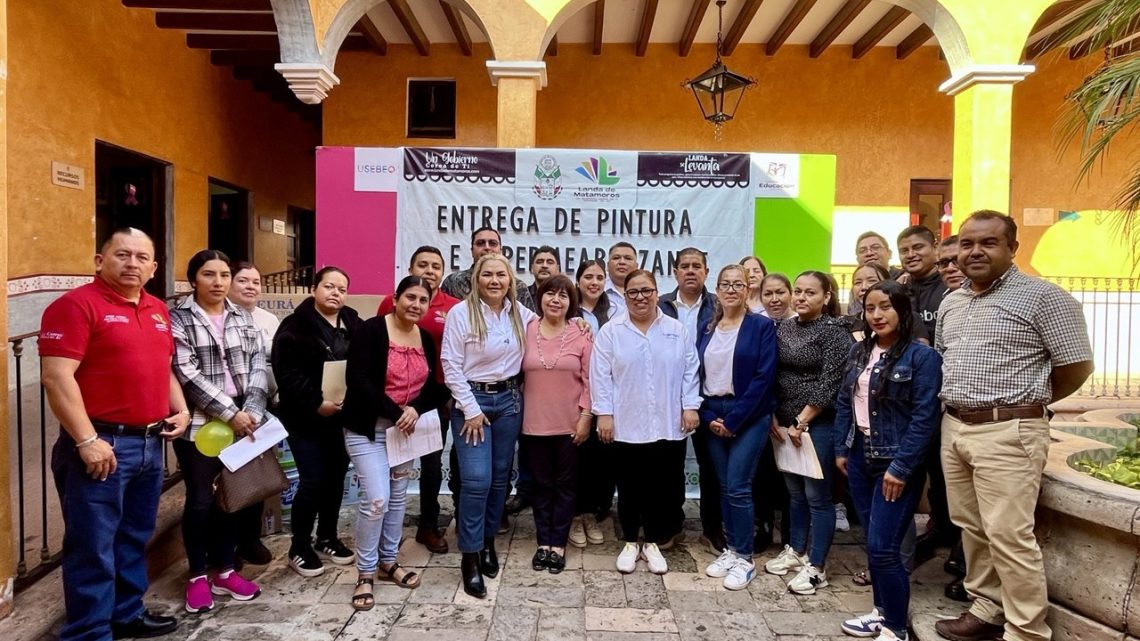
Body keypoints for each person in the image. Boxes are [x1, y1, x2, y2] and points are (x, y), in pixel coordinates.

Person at [934, 211, 1093, 641]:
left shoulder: (1044, 298)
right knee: (971, 527)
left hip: (1009, 431)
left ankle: (1026, 630)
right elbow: (946, 358)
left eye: (988, 243)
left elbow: (1075, 367)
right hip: (956, 426)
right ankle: (987, 607)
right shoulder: (954, 301)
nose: (974, 252)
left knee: (1009, 535)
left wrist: (1025, 405)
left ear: (1012, 248)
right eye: (966, 243)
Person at [40, 228, 191, 641]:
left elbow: (163, 369)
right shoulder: (74, 307)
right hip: (101, 443)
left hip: (148, 443)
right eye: (122, 254)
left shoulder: (158, 308)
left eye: (143, 257)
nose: (133, 263)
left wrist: (179, 409)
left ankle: (126, 614)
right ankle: (90, 631)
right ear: (98, 260)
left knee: (133, 536)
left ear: (154, 267)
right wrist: (87, 440)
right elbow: (56, 379)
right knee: (92, 546)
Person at [834, 280, 943, 641]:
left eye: (886, 307)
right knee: (873, 542)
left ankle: (896, 627)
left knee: (884, 548)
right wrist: (841, 448)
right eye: (870, 308)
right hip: (859, 456)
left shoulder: (922, 357)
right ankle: (880, 612)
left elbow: (925, 417)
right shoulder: (859, 352)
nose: (877, 315)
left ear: (902, 310)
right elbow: (843, 402)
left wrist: (902, 468)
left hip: (894, 462)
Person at [170, 249, 269, 612]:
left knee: (232, 498)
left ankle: (225, 570)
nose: (218, 282)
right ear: (194, 278)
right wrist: (230, 414)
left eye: (224, 275)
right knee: (200, 500)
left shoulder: (243, 317)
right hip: (199, 423)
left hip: (246, 418)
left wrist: (252, 410)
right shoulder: (179, 318)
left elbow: (259, 364)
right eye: (209, 275)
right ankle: (197, 574)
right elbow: (186, 372)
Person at [342, 275, 450, 608]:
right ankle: (365, 572)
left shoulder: (425, 339)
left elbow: (434, 386)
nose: (416, 305)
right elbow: (357, 379)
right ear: (396, 297)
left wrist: (414, 410)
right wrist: (396, 411)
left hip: (404, 431)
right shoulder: (372, 331)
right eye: (410, 297)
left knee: (399, 496)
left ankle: (389, 561)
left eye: (423, 300)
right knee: (376, 499)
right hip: (368, 428)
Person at [591, 269, 701, 576]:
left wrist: (691, 406)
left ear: (657, 292)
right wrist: (604, 414)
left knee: (661, 485)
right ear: (624, 296)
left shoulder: (677, 330)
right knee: (628, 485)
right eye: (633, 292)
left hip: (668, 422)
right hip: (626, 422)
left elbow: (691, 371)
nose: (640, 297)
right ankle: (629, 541)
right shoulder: (611, 332)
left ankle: (652, 541)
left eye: (647, 290)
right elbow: (600, 376)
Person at [441, 253, 537, 598]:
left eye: (501, 275)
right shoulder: (460, 313)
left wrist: (579, 325)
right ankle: (469, 556)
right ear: (476, 280)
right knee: (477, 480)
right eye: (488, 275)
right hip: (473, 404)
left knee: (499, 480)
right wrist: (469, 409)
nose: (495, 281)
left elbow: (553, 329)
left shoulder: (521, 315)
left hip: (509, 403)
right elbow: (450, 364)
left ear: (510, 280)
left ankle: (486, 544)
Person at [765, 271, 853, 595]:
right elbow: (773, 373)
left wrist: (802, 422)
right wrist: (775, 415)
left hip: (818, 425)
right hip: (785, 425)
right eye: (798, 291)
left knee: (819, 498)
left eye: (810, 293)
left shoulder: (835, 333)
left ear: (827, 297)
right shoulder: (784, 327)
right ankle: (797, 551)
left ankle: (817, 567)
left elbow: (831, 382)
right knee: (795, 494)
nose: (801, 297)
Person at [273, 266, 363, 577]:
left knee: (336, 477)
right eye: (329, 286)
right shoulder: (294, 326)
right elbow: (287, 375)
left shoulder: (352, 320)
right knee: (312, 481)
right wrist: (316, 403)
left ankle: (328, 536)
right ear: (314, 289)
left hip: (342, 416)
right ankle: (299, 545)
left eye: (342, 288)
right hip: (306, 418)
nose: (335, 293)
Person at [376, 246, 460, 554]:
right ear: (410, 267)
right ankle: (387, 529)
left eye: (435, 266)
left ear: (443, 271)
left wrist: (451, 394)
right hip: (391, 401)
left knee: (431, 463)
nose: (429, 270)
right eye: (422, 264)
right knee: (389, 464)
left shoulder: (454, 306)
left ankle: (428, 525)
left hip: (435, 398)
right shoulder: (391, 301)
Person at [698, 265, 777, 590]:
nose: (731, 290)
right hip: (712, 413)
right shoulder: (708, 327)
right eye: (725, 284)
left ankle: (744, 557)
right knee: (723, 486)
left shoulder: (761, 326)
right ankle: (731, 549)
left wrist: (733, 421)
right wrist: (707, 417)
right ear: (717, 289)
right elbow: (695, 374)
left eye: (738, 285)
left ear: (747, 290)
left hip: (749, 415)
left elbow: (764, 377)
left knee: (739, 485)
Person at [520, 274, 593, 573]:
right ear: (540, 298)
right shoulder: (526, 328)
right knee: (540, 485)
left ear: (570, 302)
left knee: (564, 486)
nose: (556, 300)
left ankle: (558, 544)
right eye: (550, 294)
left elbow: (591, 379)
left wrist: (586, 417)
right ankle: (542, 543)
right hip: (533, 424)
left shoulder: (582, 333)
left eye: (563, 296)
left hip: (570, 425)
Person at [659, 248, 723, 553]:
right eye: (684, 266)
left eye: (697, 266)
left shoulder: (719, 306)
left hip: (708, 397)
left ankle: (712, 531)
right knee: (669, 468)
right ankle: (672, 527)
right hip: (667, 397)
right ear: (675, 272)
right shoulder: (661, 305)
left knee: (710, 467)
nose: (690, 271)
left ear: (707, 272)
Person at [226, 261, 280, 566]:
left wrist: (258, 406)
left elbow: (273, 362)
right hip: (223, 410)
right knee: (224, 480)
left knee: (256, 476)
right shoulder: (219, 317)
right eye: (243, 280)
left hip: (260, 407)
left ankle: (250, 538)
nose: (250, 286)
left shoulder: (268, 319)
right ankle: (224, 546)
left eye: (256, 281)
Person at [572, 259, 615, 546]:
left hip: (609, 396)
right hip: (576, 397)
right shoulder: (568, 312)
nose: (594, 282)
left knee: (602, 459)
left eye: (600, 277)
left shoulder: (612, 312)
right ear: (578, 281)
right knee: (578, 459)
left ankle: (594, 513)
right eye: (588, 277)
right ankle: (576, 516)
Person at [441, 226, 535, 311]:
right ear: (472, 251)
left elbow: (530, 324)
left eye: (492, 243)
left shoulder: (517, 286)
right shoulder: (453, 282)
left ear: (500, 250)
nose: (487, 247)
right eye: (480, 243)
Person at [847, 263, 930, 345]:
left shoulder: (910, 317)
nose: (863, 287)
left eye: (871, 280)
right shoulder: (846, 323)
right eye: (857, 282)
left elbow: (923, 351)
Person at [896, 225, 948, 340]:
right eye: (904, 251)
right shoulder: (898, 291)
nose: (910, 255)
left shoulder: (950, 285)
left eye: (918, 247)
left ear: (935, 247)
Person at [604, 241, 638, 315]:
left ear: (636, 266)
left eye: (628, 258)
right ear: (608, 265)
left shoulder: (646, 292)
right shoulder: (597, 291)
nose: (622, 262)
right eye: (616, 258)